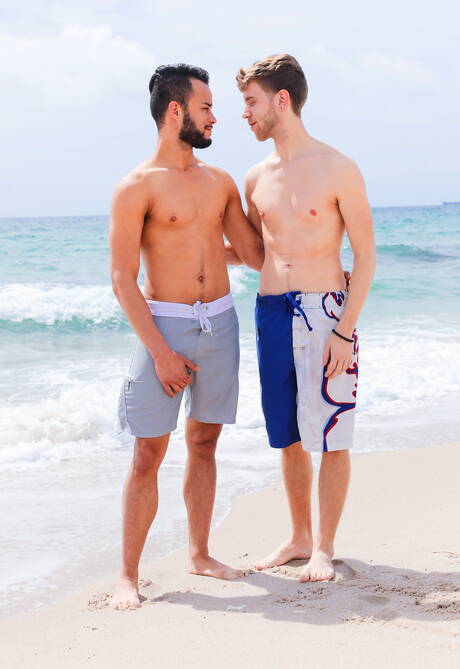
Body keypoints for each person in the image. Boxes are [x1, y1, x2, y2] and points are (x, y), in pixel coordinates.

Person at [109, 63, 264, 609]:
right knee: (147, 453)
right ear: (176, 111)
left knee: (204, 442)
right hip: (165, 326)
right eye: (206, 107)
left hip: (220, 321)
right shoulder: (136, 186)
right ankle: (127, 575)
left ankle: (199, 553)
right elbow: (122, 279)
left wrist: (315, 255)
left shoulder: (219, 181)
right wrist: (160, 353)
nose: (215, 117)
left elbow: (253, 254)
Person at [235, 54, 376, 582]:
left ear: (281, 100)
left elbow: (366, 257)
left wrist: (344, 330)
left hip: (326, 312)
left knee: (332, 432)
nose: (245, 114)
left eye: (251, 102)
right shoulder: (256, 177)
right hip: (271, 311)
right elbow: (257, 254)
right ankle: (298, 536)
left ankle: (323, 547)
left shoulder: (338, 167)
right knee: (287, 432)